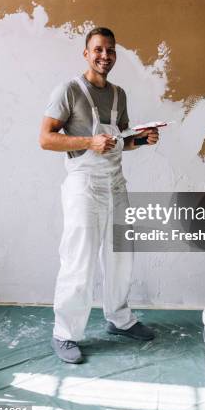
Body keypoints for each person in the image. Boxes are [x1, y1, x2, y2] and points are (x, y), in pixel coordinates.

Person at [39, 27, 159, 363]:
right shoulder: (69, 91)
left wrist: (142, 140)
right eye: (98, 50)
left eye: (110, 51)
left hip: (115, 184)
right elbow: (45, 138)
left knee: (121, 256)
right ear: (86, 53)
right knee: (80, 261)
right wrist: (87, 141)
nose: (104, 56)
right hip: (83, 186)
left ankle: (119, 320)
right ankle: (65, 334)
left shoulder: (119, 95)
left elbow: (120, 140)